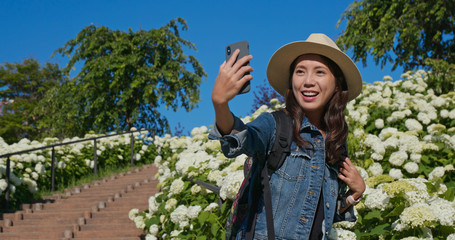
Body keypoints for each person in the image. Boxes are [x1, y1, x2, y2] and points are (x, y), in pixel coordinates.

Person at [209, 33, 366, 240]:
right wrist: (220, 104)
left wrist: (354, 194)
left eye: (320, 72)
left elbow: (320, 216)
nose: (308, 81)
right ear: (292, 81)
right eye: (300, 72)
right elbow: (242, 139)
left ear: (337, 84)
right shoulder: (275, 124)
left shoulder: (335, 142)